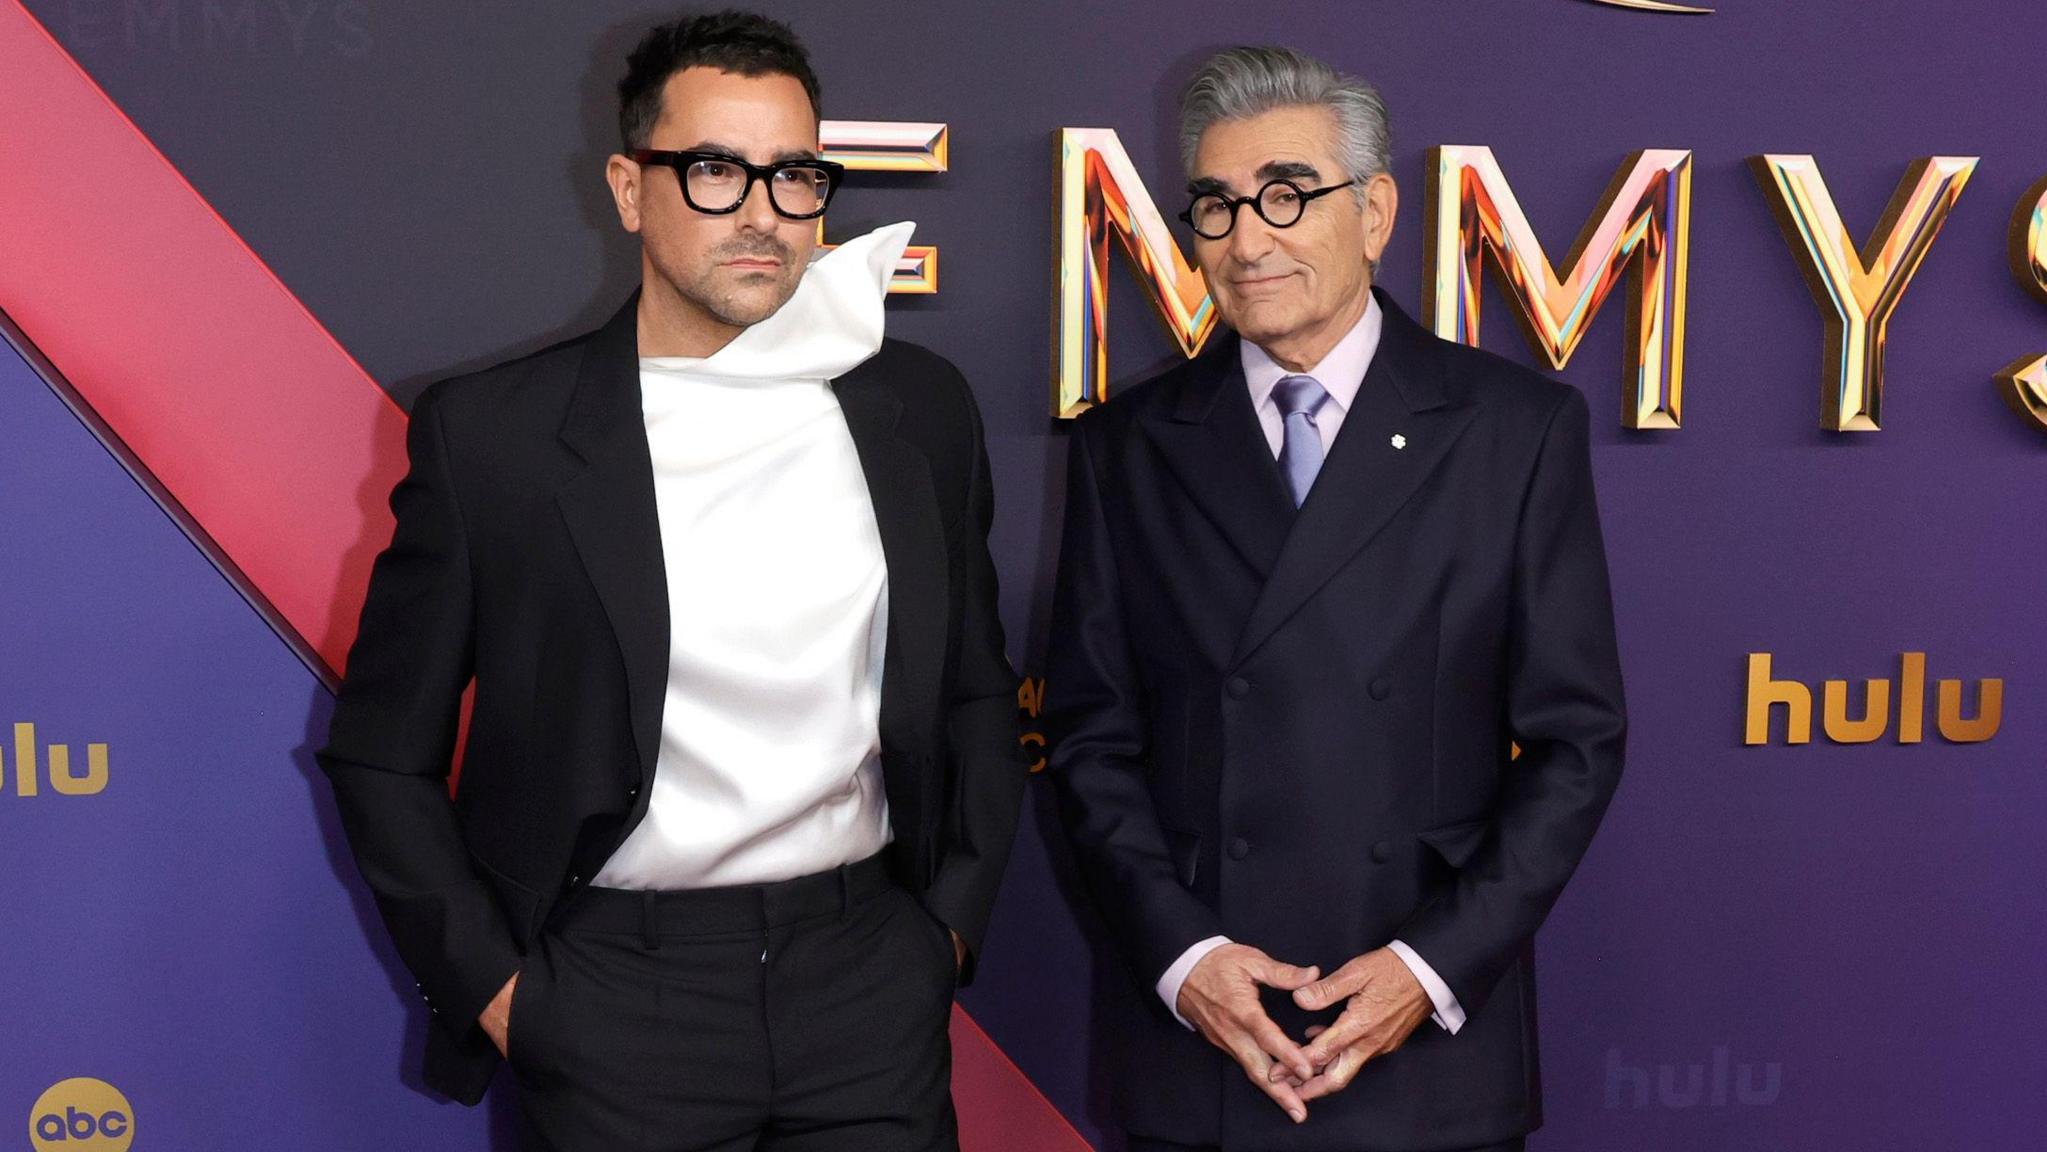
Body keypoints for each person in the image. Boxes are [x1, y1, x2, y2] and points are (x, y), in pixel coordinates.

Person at [317, 11, 1024, 1150]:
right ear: (628, 187)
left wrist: (941, 933)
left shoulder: (917, 408)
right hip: (611, 993)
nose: (760, 211)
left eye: (793, 174)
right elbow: (381, 752)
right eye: (712, 169)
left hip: (864, 980)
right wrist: (507, 992)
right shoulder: (496, 436)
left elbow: (978, 690)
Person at [1047, 45, 1627, 1152]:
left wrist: (1427, 967)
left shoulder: (1510, 430)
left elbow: (1575, 744)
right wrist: (1186, 961)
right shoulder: (1126, 445)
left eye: (1283, 195)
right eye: (1213, 207)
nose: (1245, 239)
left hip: (1425, 1041)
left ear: (1373, 212)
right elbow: (1088, 739)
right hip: (1208, 1039)